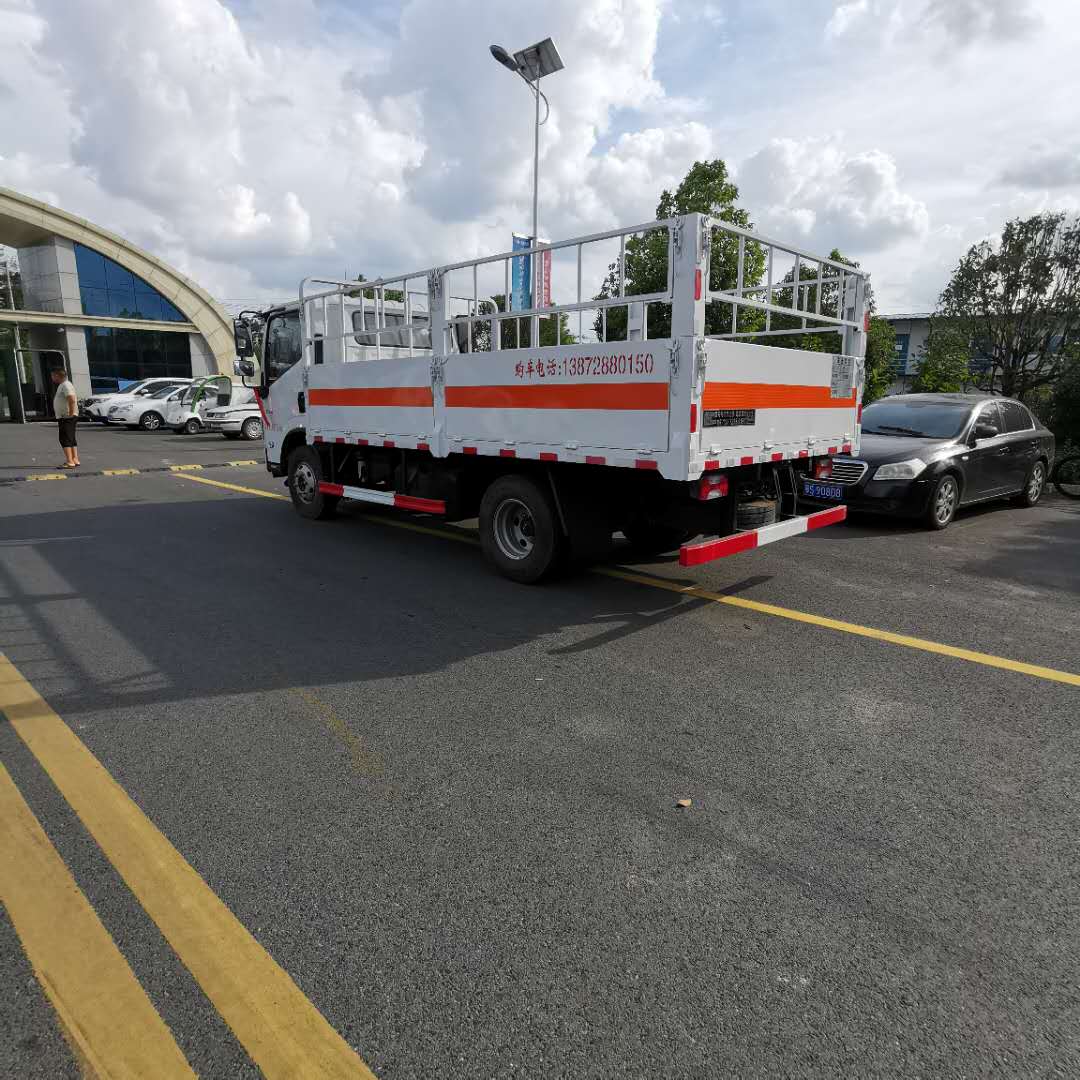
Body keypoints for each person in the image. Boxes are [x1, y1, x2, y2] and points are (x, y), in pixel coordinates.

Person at [50, 367, 80, 468]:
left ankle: (69, 461)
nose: (52, 378)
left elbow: (71, 399)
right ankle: (75, 459)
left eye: (52, 376)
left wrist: (70, 413)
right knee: (70, 438)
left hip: (67, 417)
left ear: (57, 375)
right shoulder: (63, 385)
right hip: (66, 416)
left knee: (64, 438)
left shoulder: (66, 385)